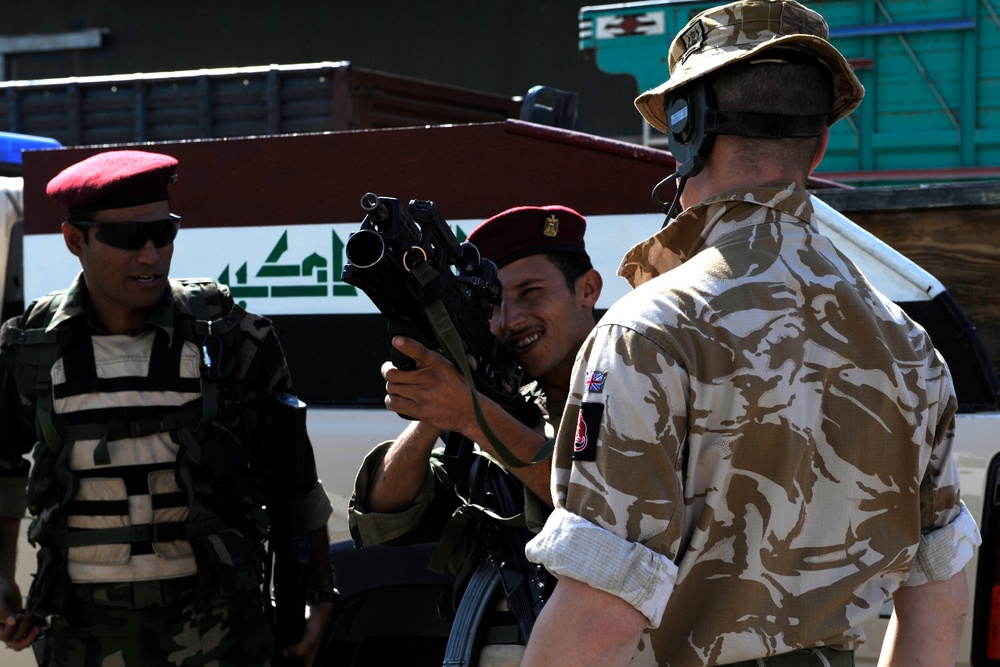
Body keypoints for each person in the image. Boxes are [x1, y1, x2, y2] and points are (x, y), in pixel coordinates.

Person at [522, 2, 982, 666]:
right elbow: (941, 605)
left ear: (686, 133)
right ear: (820, 144)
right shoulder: (910, 347)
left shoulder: (647, 331)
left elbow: (599, 622)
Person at [0, 150, 336, 666]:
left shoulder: (229, 337)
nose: (151, 255)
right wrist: (1, 576)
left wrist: (319, 595)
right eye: (128, 238)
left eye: (164, 233)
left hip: (221, 632)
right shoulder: (31, 348)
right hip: (85, 637)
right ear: (75, 240)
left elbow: (292, 473)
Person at [349, 204, 602, 546]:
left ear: (587, 289)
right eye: (497, 305)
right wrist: (434, 413)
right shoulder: (510, 409)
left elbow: (600, 507)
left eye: (531, 293)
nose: (510, 320)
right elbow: (384, 518)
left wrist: (470, 413)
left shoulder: (637, 384)